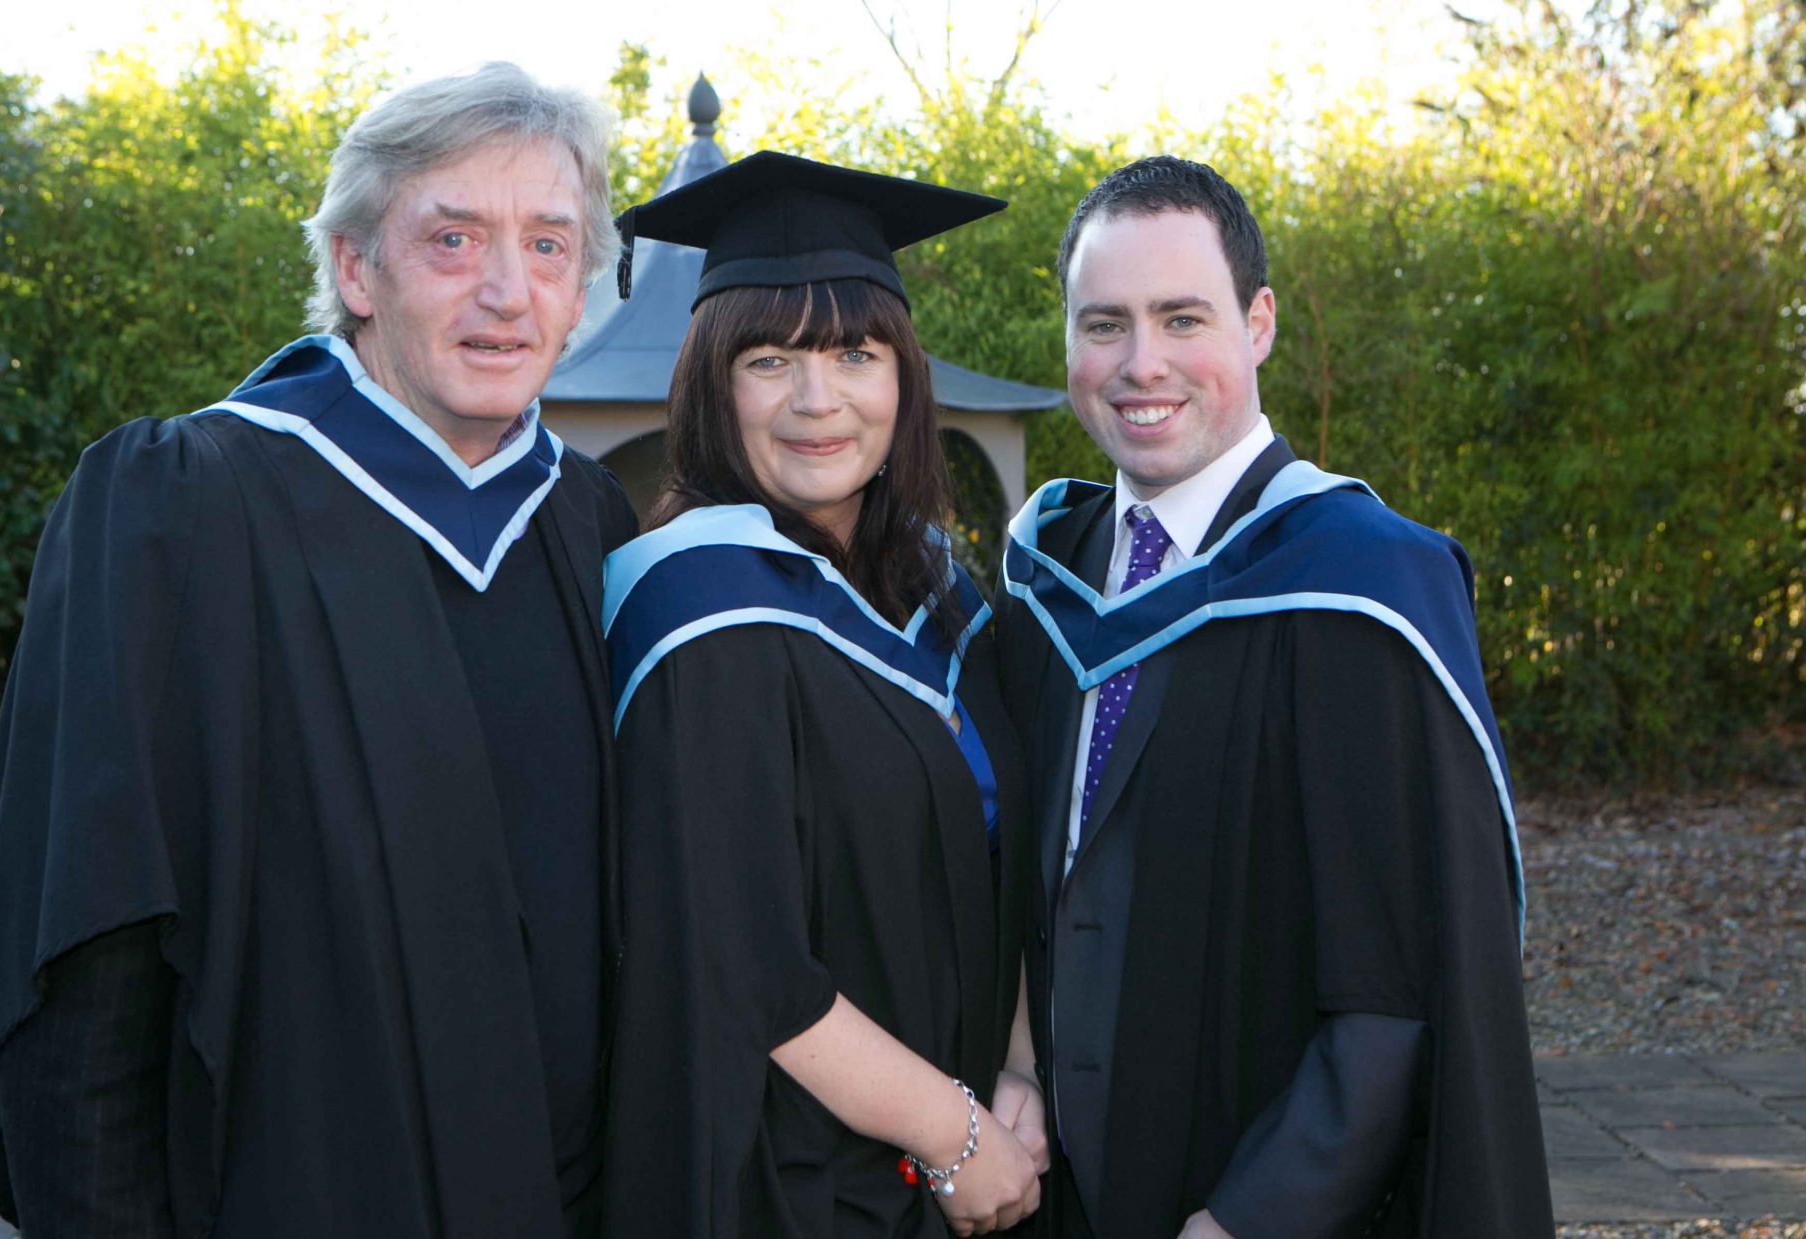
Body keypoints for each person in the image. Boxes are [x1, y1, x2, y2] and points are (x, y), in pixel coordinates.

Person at [0, 64, 636, 1237]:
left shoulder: (588, 523)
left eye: (546, 245)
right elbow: (89, 953)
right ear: (354, 268)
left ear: (581, 288)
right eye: (452, 239)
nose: (505, 291)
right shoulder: (181, 506)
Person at [993, 156, 1553, 1237]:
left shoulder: (1360, 588)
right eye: (1104, 324)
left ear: (1257, 324)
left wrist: (1249, 1220)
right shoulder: (1044, 577)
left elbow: (1399, 991)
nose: (1141, 363)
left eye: (1181, 318)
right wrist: (1015, 1062)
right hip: (1051, 1191)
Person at [600, 152, 1047, 1237]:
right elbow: (742, 952)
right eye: (768, 359)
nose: (817, 400)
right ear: (713, 386)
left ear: (903, 379)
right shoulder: (695, 607)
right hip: (789, 1180)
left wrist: (1019, 1066)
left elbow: (1006, 850)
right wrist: (954, 1134)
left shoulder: (941, 590)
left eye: (855, 353)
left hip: (969, 1153)